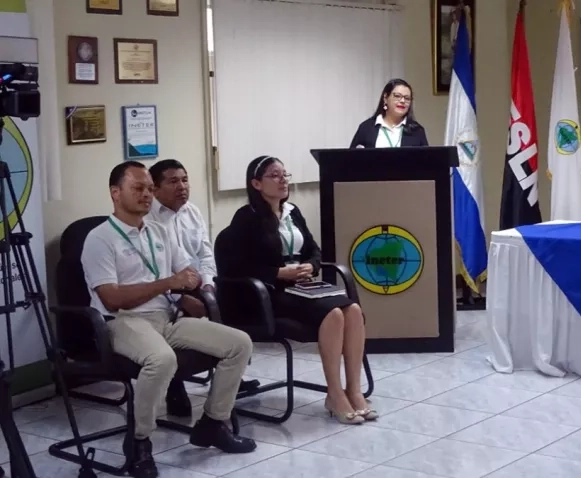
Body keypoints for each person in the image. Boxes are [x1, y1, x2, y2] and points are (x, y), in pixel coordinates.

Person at [81, 161, 257, 478]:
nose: (147, 195)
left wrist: (191, 287)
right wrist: (169, 283)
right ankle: (139, 443)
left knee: (239, 343)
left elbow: (187, 275)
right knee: (161, 360)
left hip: (166, 316)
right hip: (123, 321)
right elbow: (112, 298)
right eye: (138, 188)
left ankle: (213, 425)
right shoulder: (100, 239)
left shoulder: (159, 231)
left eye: (150, 188)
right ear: (115, 193)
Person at [221, 155, 375, 425]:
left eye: (284, 175)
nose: (283, 180)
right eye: (275, 175)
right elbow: (235, 266)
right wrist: (278, 273)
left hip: (302, 285)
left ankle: (353, 389)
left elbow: (314, 250)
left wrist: (310, 266)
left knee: (352, 310)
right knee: (334, 315)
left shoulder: (292, 212)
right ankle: (334, 393)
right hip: (268, 293)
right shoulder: (247, 218)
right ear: (256, 183)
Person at [146, 159, 260, 418]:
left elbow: (205, 254)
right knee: (186, 312)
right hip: (168, 290)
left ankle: (229, 375)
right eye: (173, 181)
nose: (182, 187)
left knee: (227, 300)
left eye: (185, 180)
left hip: (199, 283)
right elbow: (154, 270)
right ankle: (175, 385)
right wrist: (179, 298)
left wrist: (208, 283)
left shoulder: (192, 212)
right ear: (155, 188)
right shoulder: (147, 219)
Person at [349, 78, 428, 148]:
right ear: (386, 98)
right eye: (397, 96)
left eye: (407, 98)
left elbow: (427, 162)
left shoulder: (417, 131)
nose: (402, 101)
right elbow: (350, 160)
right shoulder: (366, 128)